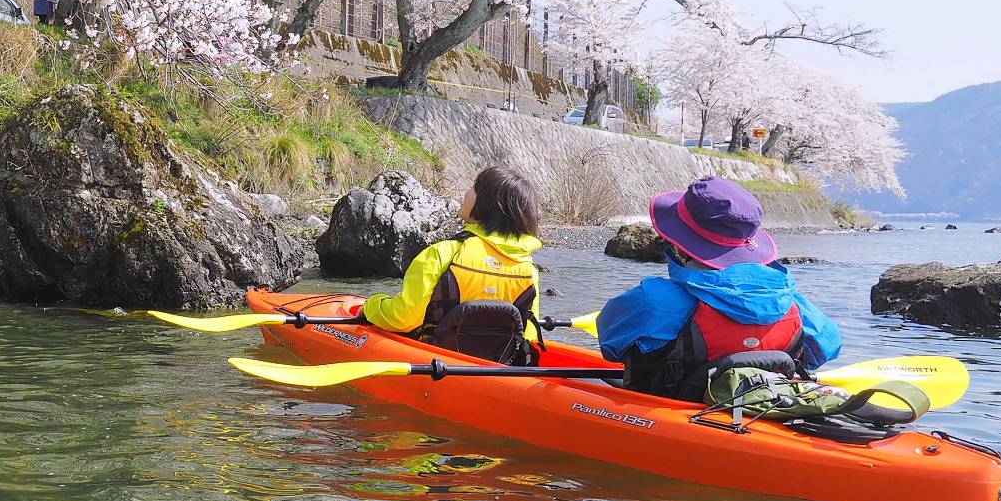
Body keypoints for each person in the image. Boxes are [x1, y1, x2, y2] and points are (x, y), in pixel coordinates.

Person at [596, 176, 842, 400]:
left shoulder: (656, 300)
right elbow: (825, 350)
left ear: (680, 246)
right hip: (757, 407)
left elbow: (611, 344)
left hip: (672, 411)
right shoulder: (794, 304)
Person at [361, 164, 544, 360]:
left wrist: (371, 306)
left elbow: (404, 318)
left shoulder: (443, 254)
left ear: (488, 203)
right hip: (496, 364)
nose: (467, 193)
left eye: (474, 187)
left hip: (436, 363)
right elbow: (528, 334)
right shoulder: (527, 269)